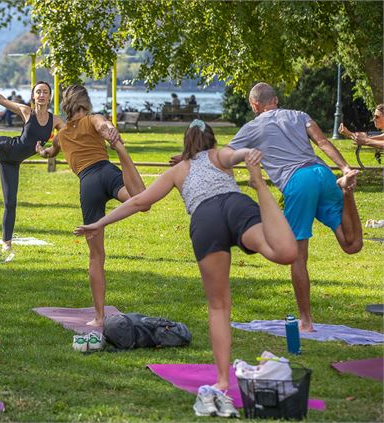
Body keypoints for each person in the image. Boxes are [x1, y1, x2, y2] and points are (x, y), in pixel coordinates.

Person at [75, 120, 297, 417]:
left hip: (205, 221)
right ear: (211, 141)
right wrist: (249, 155)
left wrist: (100, 222)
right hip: (235, 206)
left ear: (186, 144)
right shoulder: (218, 155)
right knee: (284, 252)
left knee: (219, 306)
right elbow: (236, 154)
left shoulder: (178, 170)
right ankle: (259, 187)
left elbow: (140, 201)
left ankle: (221, 382)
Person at [217, 82, 363, 332]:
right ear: (275, 100)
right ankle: (346, 190)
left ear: (255, 105)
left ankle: (306, 321)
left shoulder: (253, 127)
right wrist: (345, 167)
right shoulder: (299, 115)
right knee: (352, 245)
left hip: (299, 182)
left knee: (297, 256)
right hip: (322, 173)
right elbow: (323, 142)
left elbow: (224, 156)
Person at [36, 85, 147, 326]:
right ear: (85, 105)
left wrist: (41, 152)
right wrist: (112, 133)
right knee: (141, 201)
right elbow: (102, 125)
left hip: (88, 185)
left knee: (96, 256)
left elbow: (51, 152)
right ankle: (125, 162)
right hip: (107, 173)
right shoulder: (92, 119)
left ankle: (98, 317)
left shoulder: (62, 134)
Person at [0, 64, 66, 256]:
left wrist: (45, 151)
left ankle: (6, 243)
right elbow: (0, 99)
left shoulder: (55, 121)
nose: (41, 95)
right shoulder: (26, 111)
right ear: (33, 96)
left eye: (45, 92)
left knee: (10, 203)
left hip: (12, 163)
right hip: (4, 146)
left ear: (49, 97)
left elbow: (64, 140)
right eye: (38, 92)